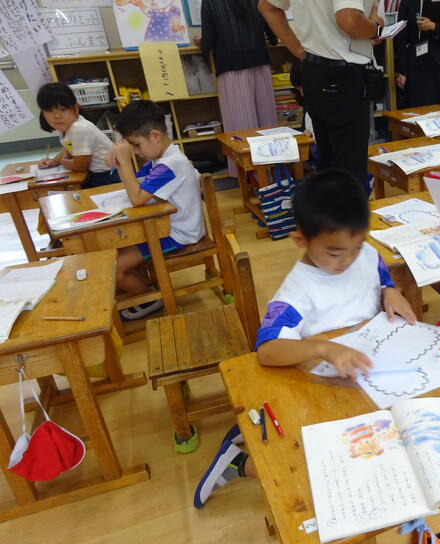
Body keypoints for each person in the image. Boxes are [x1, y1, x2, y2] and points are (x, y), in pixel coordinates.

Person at [193, 168, 417, 508]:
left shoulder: (365, 253)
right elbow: (267, 351)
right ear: (301, 240)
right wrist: (323, 347)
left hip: (369, 376)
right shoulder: (296, 293)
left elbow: (379, 272)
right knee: (329, 469)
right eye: (335, 253)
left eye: (356, 246)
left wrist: (390, 291)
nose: (349, 260)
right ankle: (240, 462)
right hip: (320, 390)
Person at [258, 0, 385, 182]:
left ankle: (329, 200)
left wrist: (297, 49)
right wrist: (375, 28)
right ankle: (345, 200)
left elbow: (267, 6)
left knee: (327, 161)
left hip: (313, 68)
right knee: (349, 169)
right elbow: (349, 21)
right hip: (342, 73)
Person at [106, 101, 205, 321]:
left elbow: (136, 198)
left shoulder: (170, 164)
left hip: (178, 234)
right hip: (168, 227)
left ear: (155, 136)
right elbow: (136, 182)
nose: (136, 152)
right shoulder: (161, 159)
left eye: (136, 145)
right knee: (118, 247)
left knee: (113, 269)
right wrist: (119, 162)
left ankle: (150, 299)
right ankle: (147, 288)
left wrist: (125, 162)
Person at [197, 0, 279, 176]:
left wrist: (199, 42)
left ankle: (251, 177)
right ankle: (273, 174)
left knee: (242, 125)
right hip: (260, 64)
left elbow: (208, 42)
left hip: (231, 67)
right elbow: (273, 36)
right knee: (267, 122)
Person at [36, 82, 120, 189]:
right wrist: (54, 161)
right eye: (49, 111)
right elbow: (68, 147)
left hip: (108, 177)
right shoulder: (68, 126)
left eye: (63, 109)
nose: (56, 116)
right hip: (97, 174)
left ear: (76, 108)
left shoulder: (79, 128)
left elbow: (80, 166)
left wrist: (62, 162)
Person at [394, 0, 440, 107]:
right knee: (418, 108)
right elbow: (400, 37)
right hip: (416, 65)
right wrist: (401, 70)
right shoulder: (408, 2)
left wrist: (433, 26)